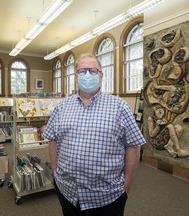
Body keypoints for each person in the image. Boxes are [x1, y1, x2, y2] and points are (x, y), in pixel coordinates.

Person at [43, 53, 146, 216]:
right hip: (67, 192)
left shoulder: (119, 107)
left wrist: (126, 185)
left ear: (101, 76)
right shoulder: (61, 107)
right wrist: (55, 172)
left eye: (93, 70)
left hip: (107, 197)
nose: (87, 75)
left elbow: (133, 145)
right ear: (76, 77)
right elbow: (53, 139)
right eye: (82, 71)